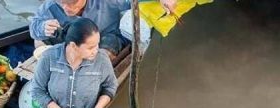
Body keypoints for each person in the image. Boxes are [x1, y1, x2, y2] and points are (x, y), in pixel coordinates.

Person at [29, 0, 177, 59]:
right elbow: (33, 26)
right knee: (39, 37)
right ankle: (47, 65)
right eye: (63, 3)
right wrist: (42, 27)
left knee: (106, 50)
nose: (67, 9)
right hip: (72, 40)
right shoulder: (50, 6)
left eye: (73, 3)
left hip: (105, 37)